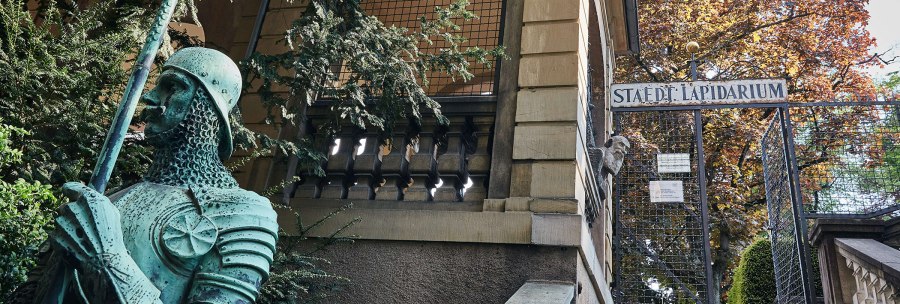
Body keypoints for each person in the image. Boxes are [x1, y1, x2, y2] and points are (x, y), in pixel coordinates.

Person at [13, 47, 278, 304]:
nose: (151, 97)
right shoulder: (116, 199)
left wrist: (106, 260)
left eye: (172, 87)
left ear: (206, 105)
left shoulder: (239, 213)